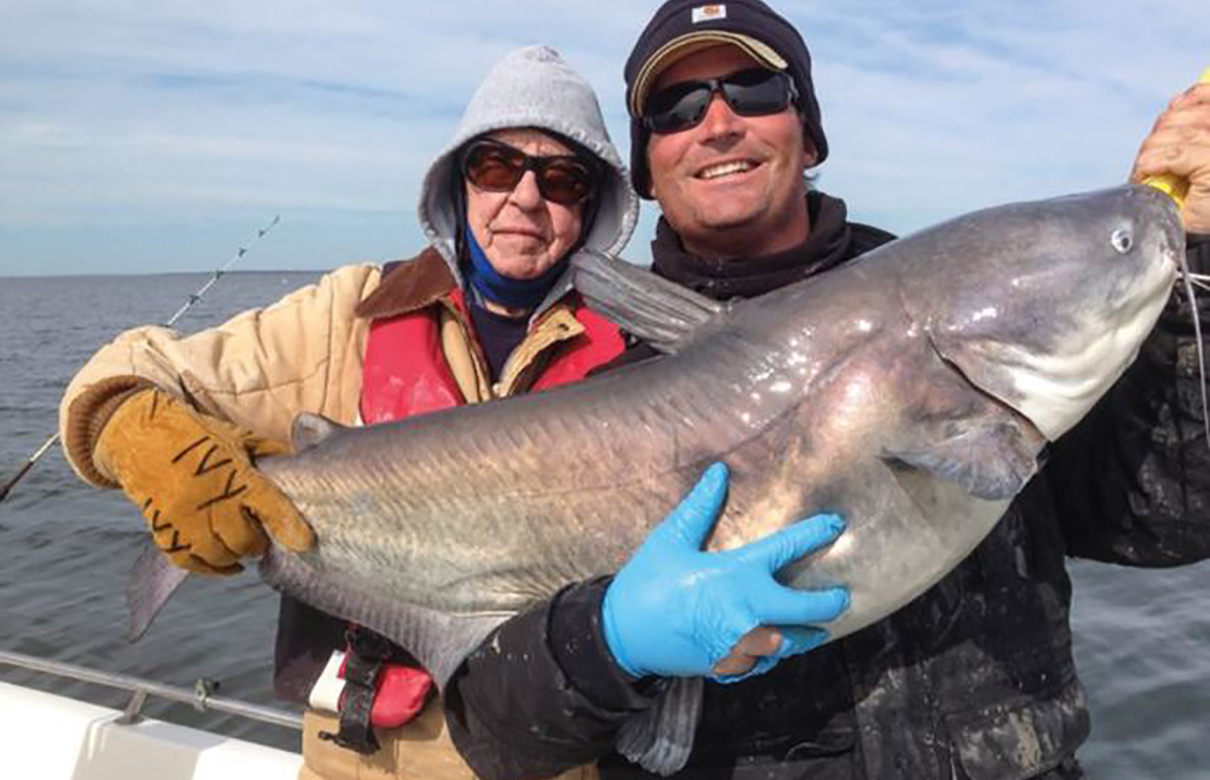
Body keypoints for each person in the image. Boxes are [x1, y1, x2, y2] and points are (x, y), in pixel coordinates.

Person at [437, 2, 1210, 779]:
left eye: (754, 90)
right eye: (676, 108)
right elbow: (498, 732)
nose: (717, 123)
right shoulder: (592, 385)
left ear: (809, 134)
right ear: (645, 165)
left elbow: (1164, 519)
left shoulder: (970, 309)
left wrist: (1191, 277)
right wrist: (607, 641)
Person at [57, 45, 646, 780]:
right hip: (359, 755)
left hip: (557, 758)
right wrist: (127, 425)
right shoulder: (352, 313)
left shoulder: (637, 357)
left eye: (562, 180)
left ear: (594, 207)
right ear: (457, 183)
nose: (525, 199)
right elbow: (125, 371)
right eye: (495, 167)